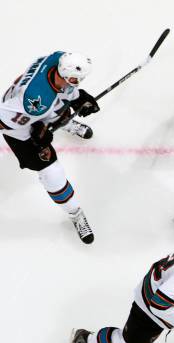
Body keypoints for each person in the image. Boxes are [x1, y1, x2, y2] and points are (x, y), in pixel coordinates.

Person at [0, 51, 100, 243]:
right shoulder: (34, 102)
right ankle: (75, 213)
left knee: (58, 107)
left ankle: (63, 121)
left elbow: (62, 91)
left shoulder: (59, 58)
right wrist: (36, 135)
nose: (77, 82)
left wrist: (78, 96)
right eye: (74, 80)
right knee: (53, 174)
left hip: (31, 105)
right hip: (18, 129)